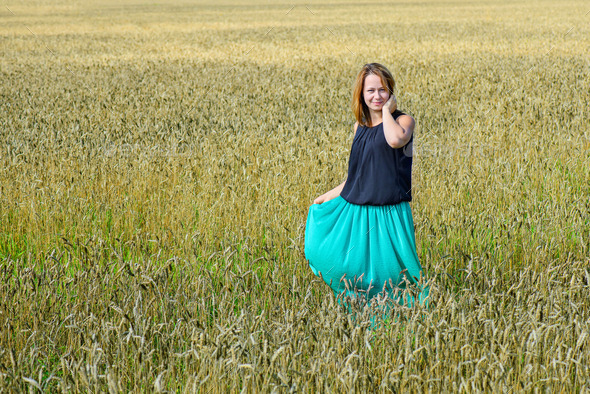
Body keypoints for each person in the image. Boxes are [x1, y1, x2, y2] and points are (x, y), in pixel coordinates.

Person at [304, 63, 428, 312]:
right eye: (370, 90)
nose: (377, 96)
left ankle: (404, 323)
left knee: (398, 278)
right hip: (357, 211)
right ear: (361, 94)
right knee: (354, 273)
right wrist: (324, 197)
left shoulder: (404, 121)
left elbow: (394, 140)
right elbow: (355, 178)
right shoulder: (358, 128)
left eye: (383, 90)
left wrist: (386, 113)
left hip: (390, 213)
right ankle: (363, 320)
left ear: (391, 93)